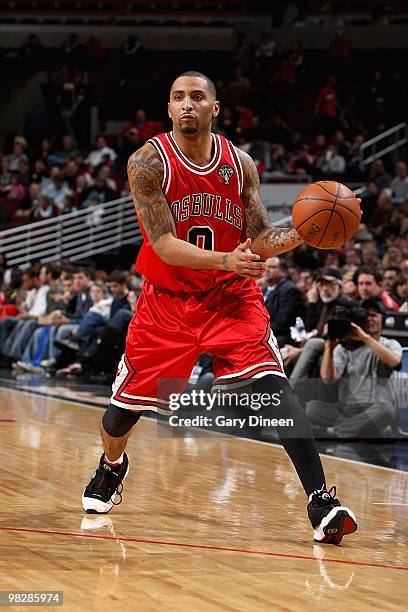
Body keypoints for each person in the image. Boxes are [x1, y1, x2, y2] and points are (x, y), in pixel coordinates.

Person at [82, 71, 357, 544]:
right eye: (177, 98)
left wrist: (302, 232)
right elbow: (164, 245)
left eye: (197, 97)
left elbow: (259, 238)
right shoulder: (148, 162)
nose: (187, 104)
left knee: (275, 391)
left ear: (215, 107)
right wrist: (227, 259)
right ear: (168, 109)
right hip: (167, 303)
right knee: (119, 418)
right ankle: (112, 465)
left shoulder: (241, 164)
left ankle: (320, 502)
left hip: (231, 298)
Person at [307, 299, 402, 438]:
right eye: (366, 316)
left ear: (383, 319)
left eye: (374, 315)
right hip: (347, 409)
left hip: (374, 409)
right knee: (312, 408)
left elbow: (394, 361)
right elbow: (328, 380)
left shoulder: (390, 344)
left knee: (387, 410)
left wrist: (365, 338)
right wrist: (329, 347)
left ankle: (338, 432)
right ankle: (360, 430)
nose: (369, 319)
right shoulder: (344, 348)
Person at [262, 257, 307, 345]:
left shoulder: (289, 290)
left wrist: (258, 334)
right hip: (267, 334)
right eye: (265, 266)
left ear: (283, 272)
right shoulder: (264, 290)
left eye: (272, 267)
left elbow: (282, 322)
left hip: (285, 338)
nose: (266, 270)